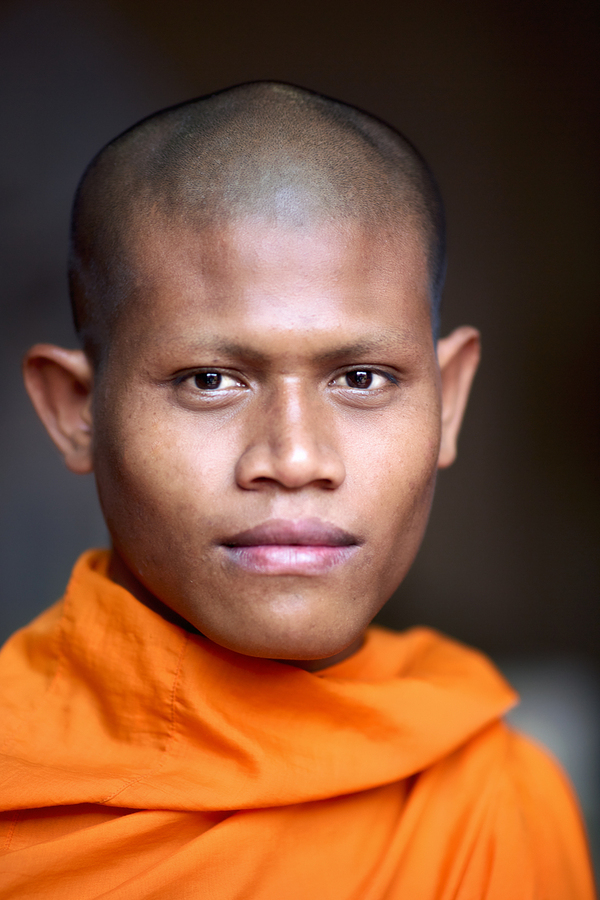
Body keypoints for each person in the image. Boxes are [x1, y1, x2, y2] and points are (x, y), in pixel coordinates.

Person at [0, 81, 594, 899]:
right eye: (210, 380)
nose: (295, 457)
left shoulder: (493, 800)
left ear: (449, 402)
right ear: (77, 411)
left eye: (362, 377)